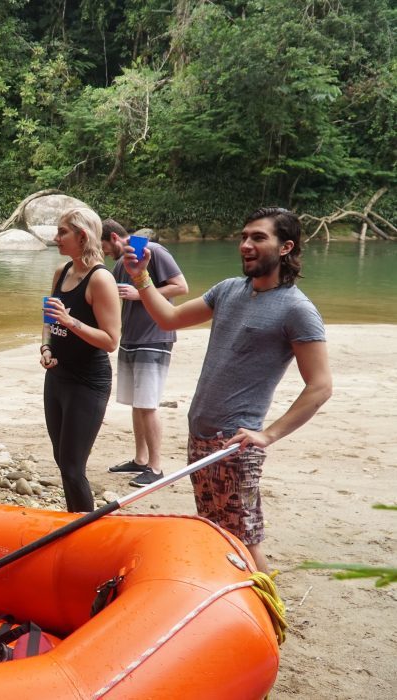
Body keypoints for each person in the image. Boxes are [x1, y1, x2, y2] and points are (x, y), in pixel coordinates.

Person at [123, 206, 332, 573]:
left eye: (258, 237)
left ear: (286, 248)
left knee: (245, 540)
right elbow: (168, 318)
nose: (246, 245)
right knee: (215, 533)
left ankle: (269, 618)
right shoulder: (228, 290)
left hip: (236, 445)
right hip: (200, 435)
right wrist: (141, 278)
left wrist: (267, 435)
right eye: (244, 237)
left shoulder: (296, 309)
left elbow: (320, 386)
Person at [41, 207, 121, 512]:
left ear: (82, 236)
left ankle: (86, 525)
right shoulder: (61, 272)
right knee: (62, 459)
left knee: (74, 466)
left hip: (89, 381)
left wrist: (71, 322)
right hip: (58, 375)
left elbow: (111, 340)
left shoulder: (101, 279)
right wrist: (46, 349)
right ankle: (74, 520)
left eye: (62, 232)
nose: (56, 238)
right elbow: (49, 321)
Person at [100, 220, 189, 487]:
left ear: (114, 237)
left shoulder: (153, 251)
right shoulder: (120, 263)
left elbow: (181, 287)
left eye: (103, 245)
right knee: (137, 404)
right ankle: (140, 460)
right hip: (130, 337)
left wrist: (139, 294)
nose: (103, 252)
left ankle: (156, 467)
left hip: (154, 337)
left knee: (148, 405)